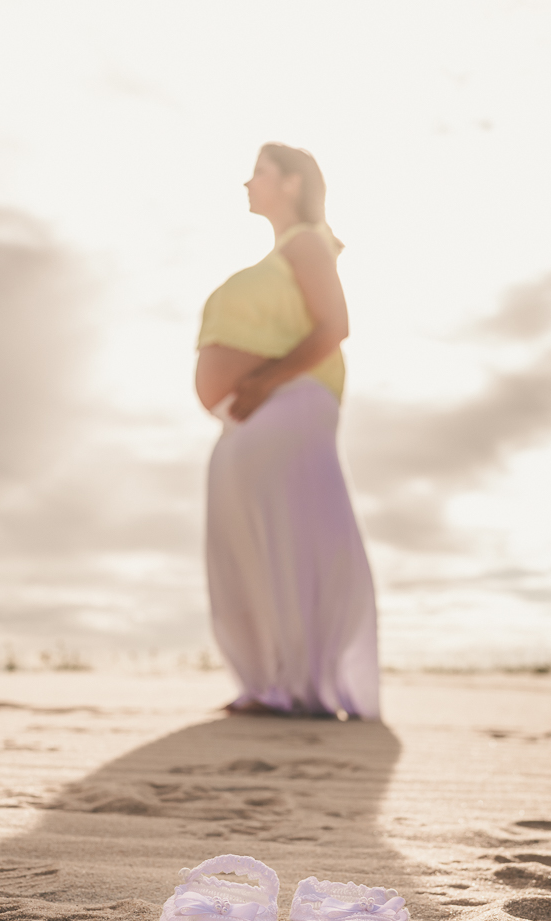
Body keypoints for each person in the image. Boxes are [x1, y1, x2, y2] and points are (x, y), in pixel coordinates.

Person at [196, 143, 379, 719]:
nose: (247, 184)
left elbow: (335, 325)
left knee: (290, 541)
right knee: (247, 549)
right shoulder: (280, 254)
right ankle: (270, 682)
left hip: (288, 405)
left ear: (294, 183)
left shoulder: (305, 243)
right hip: (254, 417)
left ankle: (307, 684)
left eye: (259, 173)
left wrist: (263, 383)